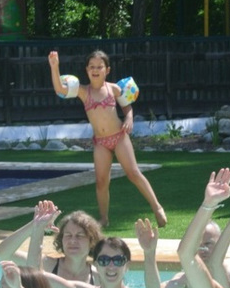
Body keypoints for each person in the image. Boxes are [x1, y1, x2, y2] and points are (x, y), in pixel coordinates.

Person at [49, 50, 167, 228]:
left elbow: (127, 108)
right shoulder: (83, 91)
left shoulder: (114, 89)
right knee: (101, 181)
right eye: (92, 67)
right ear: (87, 70)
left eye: (99, 67)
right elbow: (59, 89)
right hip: (101, 143)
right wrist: (55, 67)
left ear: (107, 70)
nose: (95, 70)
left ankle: (157, 207)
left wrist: (129, 119)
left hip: (119, 137)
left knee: (133, 173)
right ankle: (104, 218)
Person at [29, 201, 176, 288]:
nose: (111, 266)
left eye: (117, 260)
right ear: (96, 265)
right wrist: (37, 230)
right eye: (104, 260)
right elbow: (34, 276)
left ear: (127, 266)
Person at [0, 200, 103, 288]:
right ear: (61, 240)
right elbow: (3, 253)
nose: (72, 241)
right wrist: (35, 225)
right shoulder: (46, 264)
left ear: (92, 241)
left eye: (79, 236)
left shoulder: (98, 277)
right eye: (68, 235)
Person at [135, 216, 220, 288]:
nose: (202, 249)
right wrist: (149, 253)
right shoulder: (188, 279)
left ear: (220, 244)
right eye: (197, 244)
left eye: (208, 244)